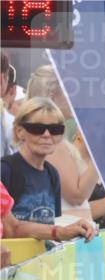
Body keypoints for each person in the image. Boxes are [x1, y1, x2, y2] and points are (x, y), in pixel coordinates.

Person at [1, 98, 98, 243]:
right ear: (20, 131)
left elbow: (48, 226)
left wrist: (78, 230)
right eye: (37, 128)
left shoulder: (52, 174)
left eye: (55, 130)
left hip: (43, 262)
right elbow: (11, 228)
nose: (47, 135)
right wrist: (60, 232)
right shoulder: (6, 169)